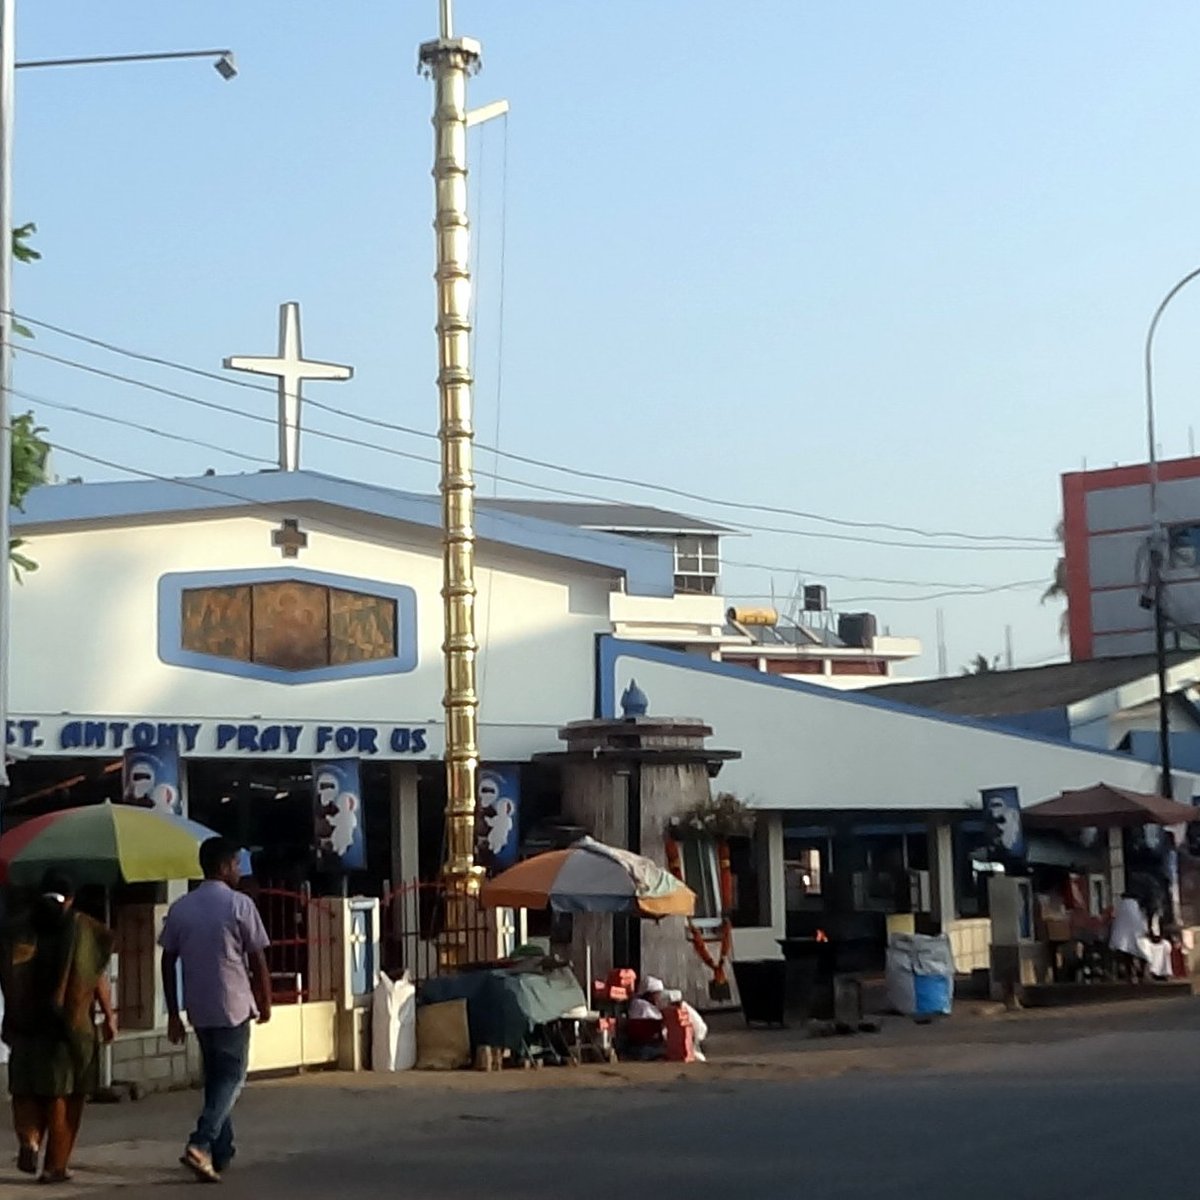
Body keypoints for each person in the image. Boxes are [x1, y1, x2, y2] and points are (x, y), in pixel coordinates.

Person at [160, 836, 272, 1183]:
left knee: (216, 1079)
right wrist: (265, 999)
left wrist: (174, 1012)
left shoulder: (182, 908)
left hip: (199, 1005)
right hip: (233, 1003)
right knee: (233, 1078)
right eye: (237, 864)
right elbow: (257, 956)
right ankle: (202, 1142)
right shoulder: (239, 905)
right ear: (224, 867)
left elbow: (167, 960)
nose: (239, 871)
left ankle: (221, 1151)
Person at [0, 870, 116, 1183]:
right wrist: (109, 1016)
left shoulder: (16, 929)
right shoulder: (84, 929)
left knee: (24, 1090)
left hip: (24, 1025)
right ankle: (55, 1166)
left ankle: (30, 1138)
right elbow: (95, 976)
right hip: (68, 1029)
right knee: (65, 1096)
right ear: (72, 898)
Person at [628, 975, 710, 1061]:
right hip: (645, 1047)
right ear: (648, 994)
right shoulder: (640, 1004)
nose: (658, 996)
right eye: (656, 994)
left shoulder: (653, 1005)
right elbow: (656, 1021)